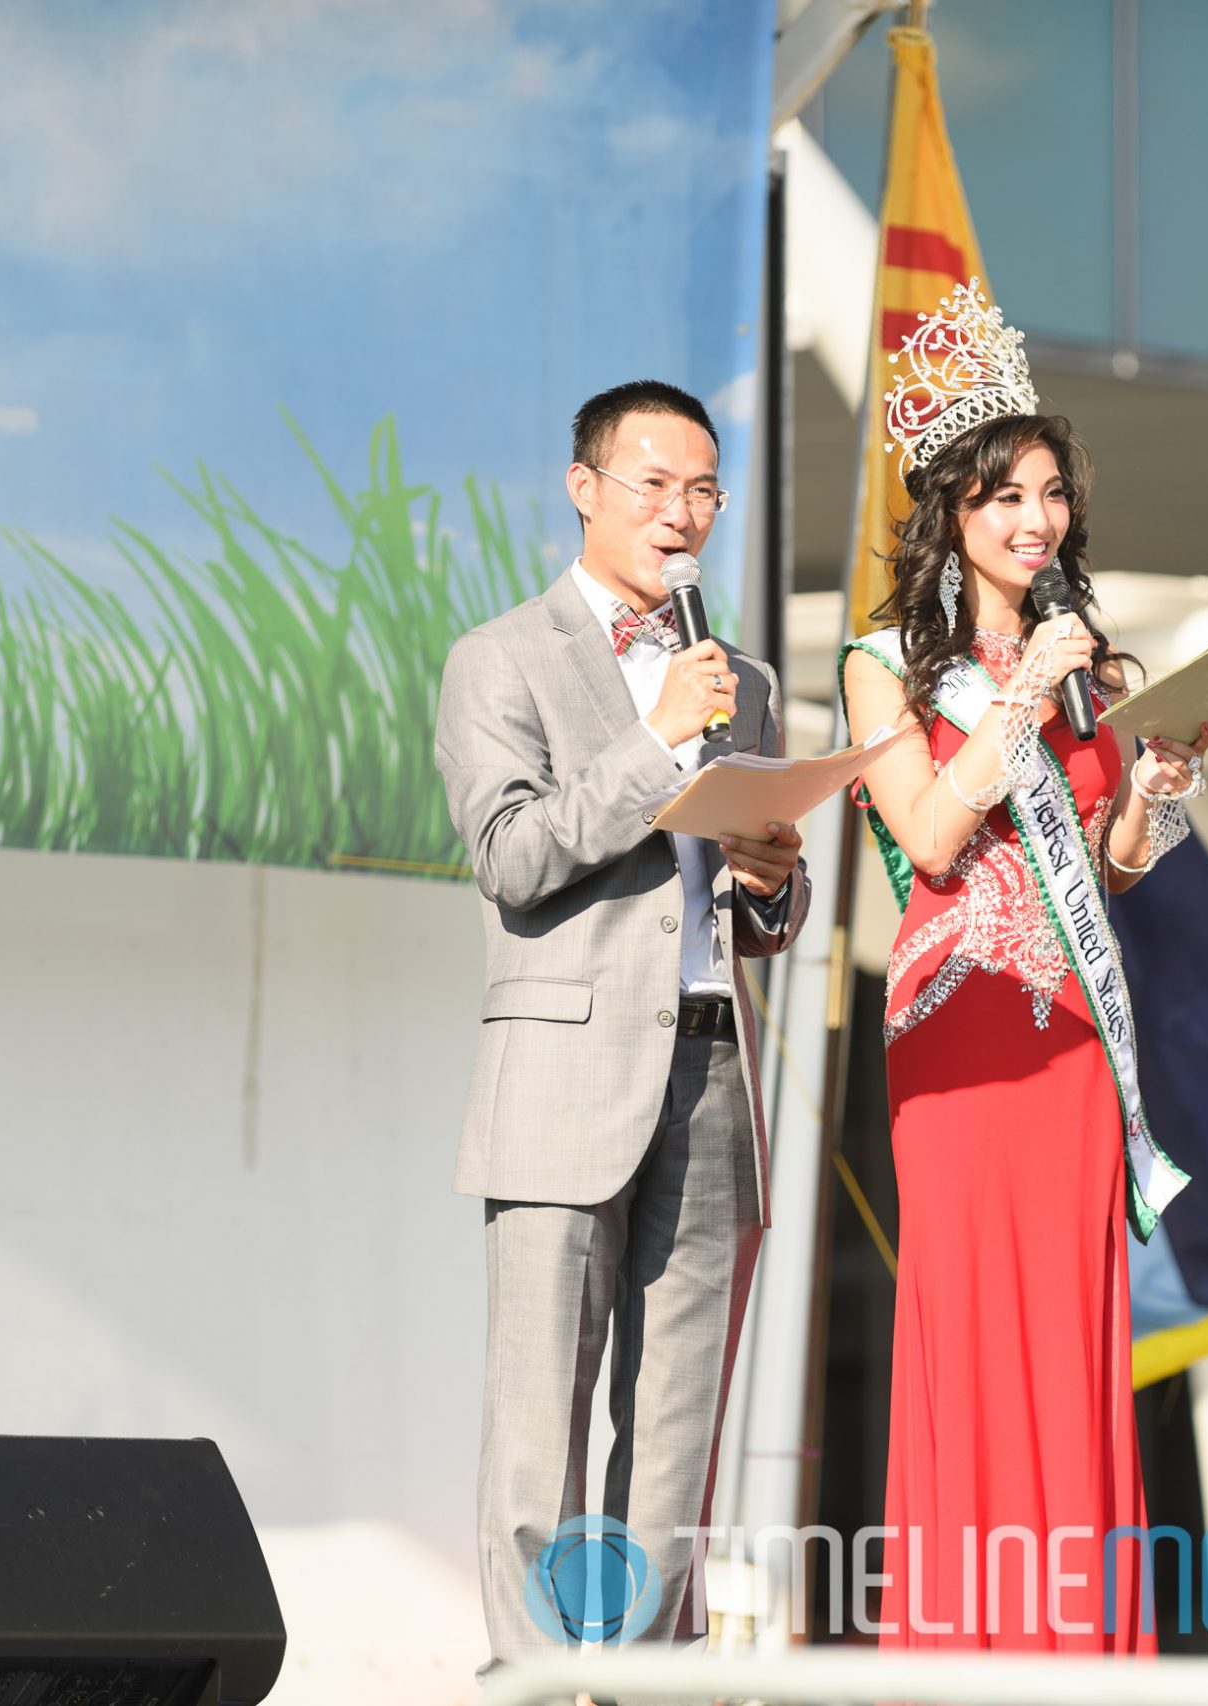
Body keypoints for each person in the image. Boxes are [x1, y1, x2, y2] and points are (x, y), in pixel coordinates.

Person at [838, 282, 1208, 1652]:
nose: (1033, 520)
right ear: (951, 507)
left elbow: (1105, 869)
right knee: (977, 1333)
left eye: (1051, 495)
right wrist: (1015, 690)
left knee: (1074, 1340)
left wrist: (1155, 784)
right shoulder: (884, 667)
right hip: (963, 1035)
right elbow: (933, 838)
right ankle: (969, 1648)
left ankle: (1081, 1652)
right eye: (1003, 494)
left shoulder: (1085, 668)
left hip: (1071, 1047)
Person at [436, 379, 810, 1667]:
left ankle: (643, 1676)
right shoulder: (502, 658)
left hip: (711, 1062)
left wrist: (771, 881)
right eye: (652, 483)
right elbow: (514, 858)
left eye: (704, 489)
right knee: (543, 1414)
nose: (682, 512)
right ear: (583, 488)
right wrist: (656, 746)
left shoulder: (743, 679)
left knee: (675, 1424)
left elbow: (746, 902)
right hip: (565, 1073)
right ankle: (533, 1681)